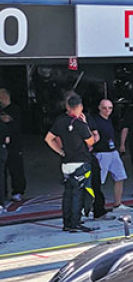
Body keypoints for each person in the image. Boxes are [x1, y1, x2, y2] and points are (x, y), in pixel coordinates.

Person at [44, 93, 96, 233]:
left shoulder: (60, 121)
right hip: (81, 162)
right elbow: (91, 141)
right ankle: (75, 222)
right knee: (78, 194)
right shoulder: (79, 123)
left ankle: (67, 222)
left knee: (68, 194)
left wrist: (60, 151)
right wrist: (85, 124)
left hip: (66, 163)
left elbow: (48, 139)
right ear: (80, 106)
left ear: (67, 106)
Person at [92, 100, 130, 212]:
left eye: (110, 108)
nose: (107, 110)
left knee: (120, 176)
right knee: (97, 181)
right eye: (104, 108)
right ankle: (91, 206)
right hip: (101, 153)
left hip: (113, 152)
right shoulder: (95, 121)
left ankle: (117, 204)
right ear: (99, 108)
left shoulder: (109, 120)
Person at [0, 88, 26, 203]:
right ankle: (3, 193)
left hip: (14, 144)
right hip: (2, 145)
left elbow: (8, 120)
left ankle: (18, 192)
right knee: (2, 171)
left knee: (16, 169)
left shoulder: (15, 110)